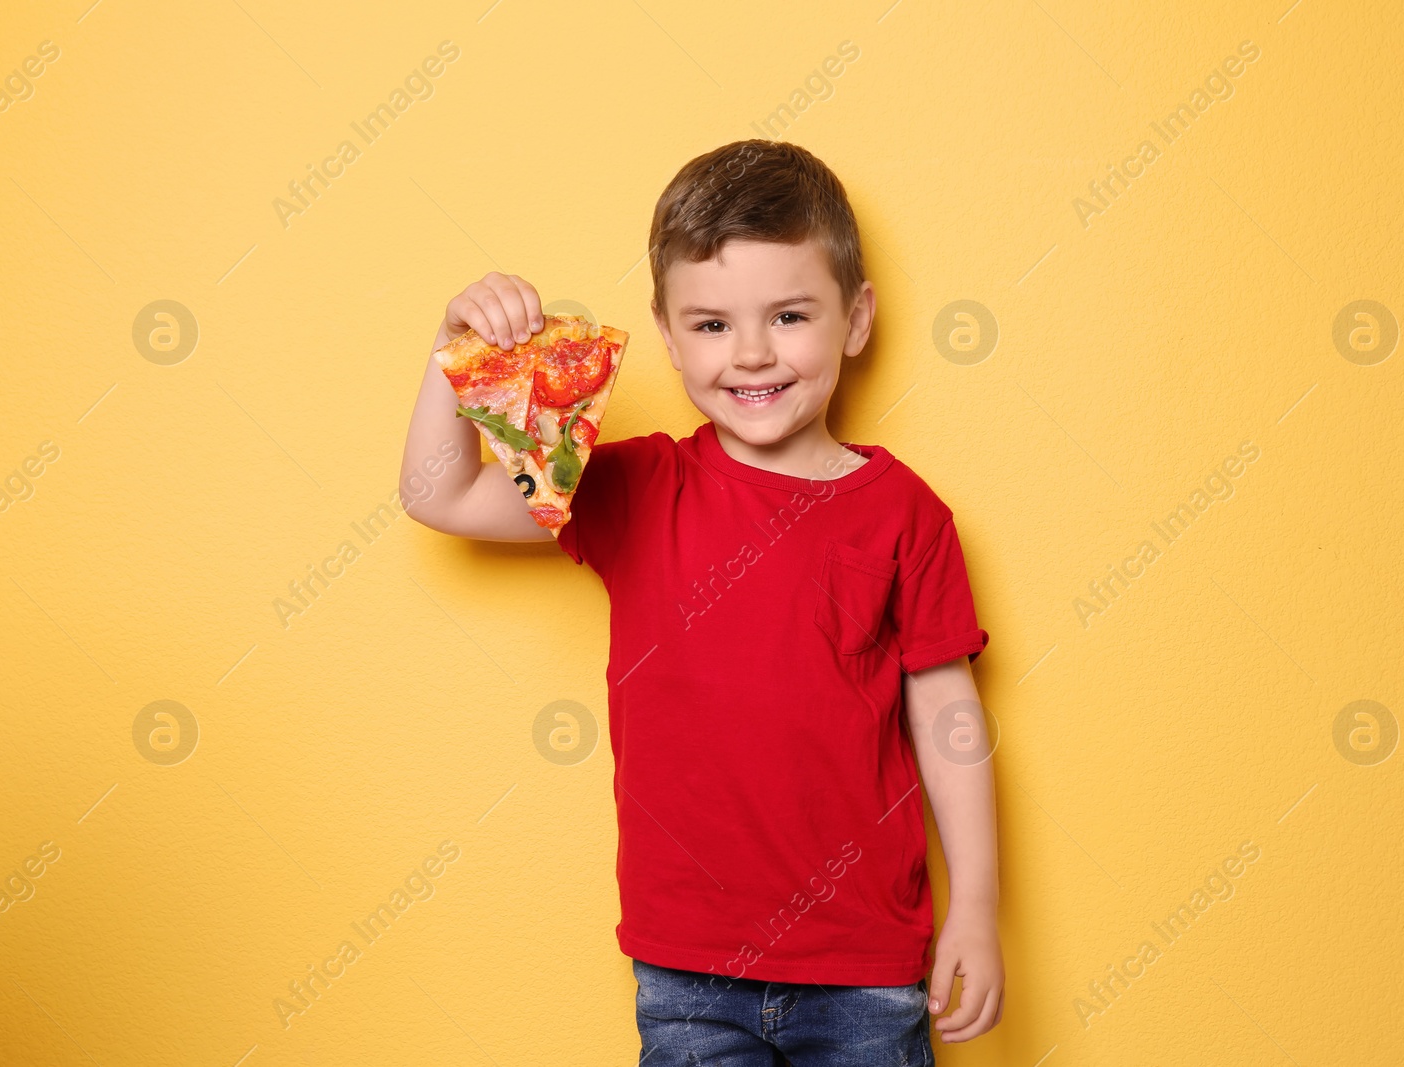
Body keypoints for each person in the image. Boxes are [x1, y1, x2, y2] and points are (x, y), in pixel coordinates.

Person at [399, 138, 1003, 1064]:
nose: (753, 352)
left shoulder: (904, 516)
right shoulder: (635, 490)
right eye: (713, 324)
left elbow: (947, 710)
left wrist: (978, 903)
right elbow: (438, 495)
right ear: (668, 334)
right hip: (688, 976)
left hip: (865, 967)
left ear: (855, 318)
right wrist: (461, 353)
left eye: (791, 315)